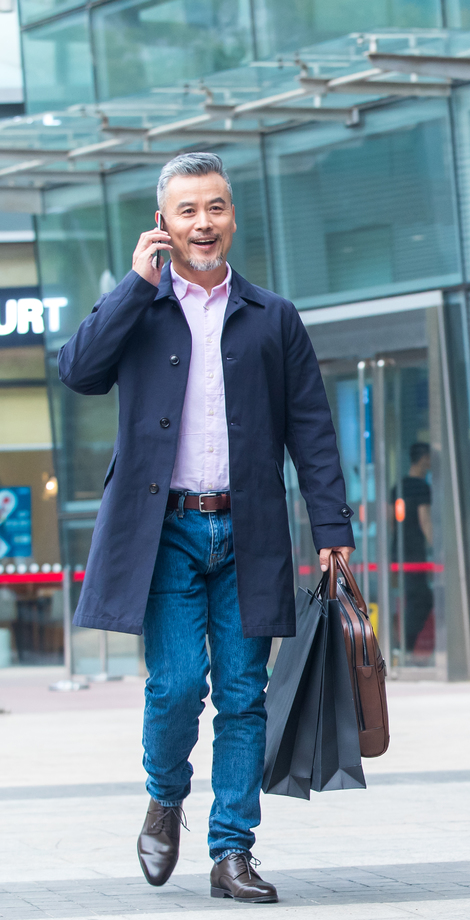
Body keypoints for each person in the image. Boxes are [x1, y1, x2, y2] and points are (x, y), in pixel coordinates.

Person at [58, 152, 354, 904]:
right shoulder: (140, 307)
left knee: (245, 696)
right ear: (163, 223)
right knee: (179, 684)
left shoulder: (272, 317)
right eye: (186, 210)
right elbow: (78, 371)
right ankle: (165, 797)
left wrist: (332, 526)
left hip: (249, 531)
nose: (202, 223)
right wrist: (135, 284)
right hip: (165, 533)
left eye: (214, 207)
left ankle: (231, 852)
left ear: (230, 217)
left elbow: (311, 429)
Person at [397, 442, 433, 652]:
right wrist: (436, 549)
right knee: (420, 600)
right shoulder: (421, 487)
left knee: (413, 598)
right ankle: (406, 647)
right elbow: (425, 520)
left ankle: (403, 646)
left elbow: (390, 520)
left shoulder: (398, 487)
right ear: (423, 459)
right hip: (415, 553)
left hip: (398, 551)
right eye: (429, 458)